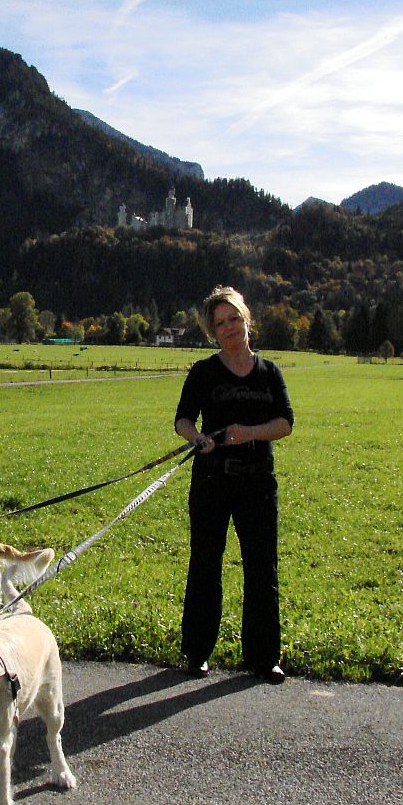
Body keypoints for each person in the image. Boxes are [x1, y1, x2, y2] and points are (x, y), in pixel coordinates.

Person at [174, 286, 293, 683]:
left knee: (262, 568)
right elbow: (183, 420)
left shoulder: (269, 372)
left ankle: (264, 657)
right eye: (220, 323)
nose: (228, 328)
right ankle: (197, 652)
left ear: (247, 319)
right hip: (211, 482)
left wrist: (249, 433)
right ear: (213, 331)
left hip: (258, 484)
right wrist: (198, 439)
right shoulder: (203, 372)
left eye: (234, 319)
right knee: (205, 565)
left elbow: (286, 423)